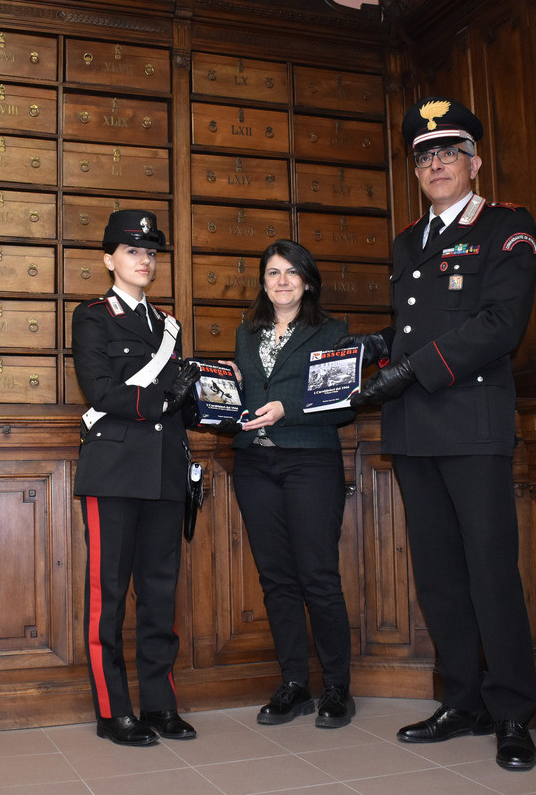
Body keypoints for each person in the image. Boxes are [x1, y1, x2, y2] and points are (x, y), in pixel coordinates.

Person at [338, 97, 536, 770]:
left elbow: (499, 325)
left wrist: (408, 371)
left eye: (449, 152)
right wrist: (375, 352)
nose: (436, 164)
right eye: (425, 157)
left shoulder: (506, 227)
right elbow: (414, 326)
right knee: (439, 575)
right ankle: (463, 699)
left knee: (491, 570)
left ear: (474, 163)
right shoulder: (409, 240)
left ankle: (511, 712)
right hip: (415, 428)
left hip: (472, 423)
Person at [71, 209, 201, 747]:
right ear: (109, 259)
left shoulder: (167, 325)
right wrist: (166, 397)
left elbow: (182, 408)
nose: (144, 260)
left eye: (150, 252)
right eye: (132, 251)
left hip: (165, 470)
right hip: (115, 471)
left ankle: (160, 704)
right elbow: (101, 390)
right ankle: (113, 711)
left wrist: (207, 395)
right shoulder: (92, 316)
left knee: (159, 594)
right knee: (107, 598)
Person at [226, 239, 356, 729]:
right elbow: (246, 397)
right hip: (254, 466)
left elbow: (341, 403)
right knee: (276, 578)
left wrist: (287, 409)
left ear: (307, 281)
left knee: (318, 576)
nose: (282, 281)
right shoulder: (245, 334)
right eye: (273, 273)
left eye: (291, 272)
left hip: (310, 463)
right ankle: (295, 684)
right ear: (263, 283)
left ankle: (337, 687)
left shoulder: (332, 331)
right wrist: (229, 385)